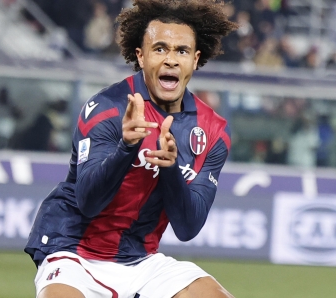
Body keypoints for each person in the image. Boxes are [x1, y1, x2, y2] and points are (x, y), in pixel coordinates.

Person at [24, 0, 238, 297]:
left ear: (195, 59)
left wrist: (171, 167)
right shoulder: (107, 108)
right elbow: (87, 200)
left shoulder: (213, 131)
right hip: (73, 249)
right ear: (141, 56)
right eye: (160, 49)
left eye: (182, 51)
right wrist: (126, 147)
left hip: (140, 260)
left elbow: (188, 228)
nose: (171, 60)